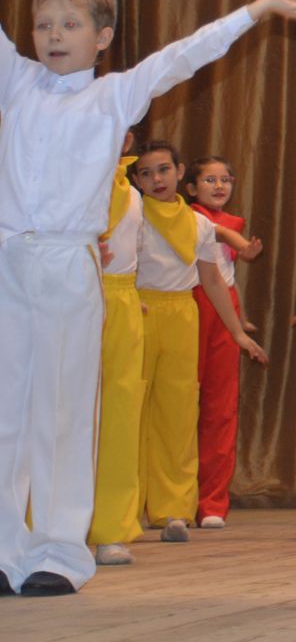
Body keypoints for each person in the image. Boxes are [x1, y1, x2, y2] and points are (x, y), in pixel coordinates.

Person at [0, 0, 296, 596]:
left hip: (66, 265)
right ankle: (3, 544)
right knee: (4, 405)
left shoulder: (115, 95)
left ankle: (56, 549)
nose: (53, 36)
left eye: (70, 26)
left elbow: (188, 54)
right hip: (8, 259)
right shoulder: (15, 84)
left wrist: (257, 9)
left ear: (103, 38)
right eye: (44, 24)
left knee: (60, 407)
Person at [132, 141, 269, 545]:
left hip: (182, 315)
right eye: (146, 173)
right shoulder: (133, 214)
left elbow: (211, 281)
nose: (156, 180)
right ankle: (129, 507)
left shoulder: (200, 225)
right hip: (140, 312)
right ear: (137, 180)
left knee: (177, 413)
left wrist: (238, 332)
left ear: (178, 172)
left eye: (163, 170)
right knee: (133, 411)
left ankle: (173, 508)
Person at [182, 154, 263, 529]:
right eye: (210, 180)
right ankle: (175, 500)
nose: (219, 186)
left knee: (220, 410)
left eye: (226, 179)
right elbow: (212, 250)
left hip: (222, 311)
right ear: (191, 187)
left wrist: (239, 318)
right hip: (188, 305)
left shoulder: (229, 223)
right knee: (181, 407)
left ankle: (212, 502)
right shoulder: (187, 218)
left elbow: (225, 277)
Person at [88, 139, 144, 568]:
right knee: (64, 413)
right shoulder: (66, 171)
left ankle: (111, 528)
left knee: (120, 415)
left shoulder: (133, 191)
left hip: (122, 299)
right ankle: (47, 527)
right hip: (74, 292)